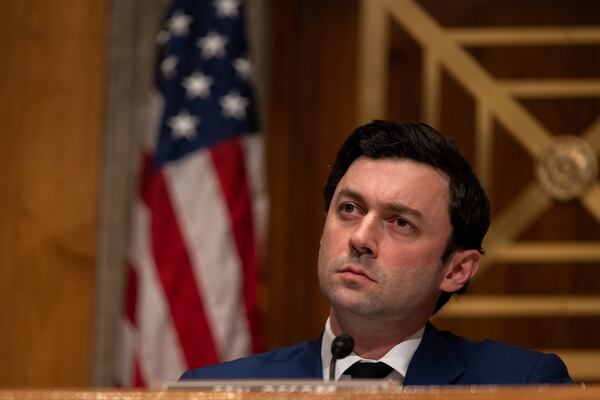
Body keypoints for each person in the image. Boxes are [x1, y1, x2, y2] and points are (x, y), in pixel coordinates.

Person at [181, 120, 572, 385]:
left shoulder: (520, 384)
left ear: (456, 270)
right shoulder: (217, 391)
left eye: (400, 222)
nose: (360, 238)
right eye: (349, 209)